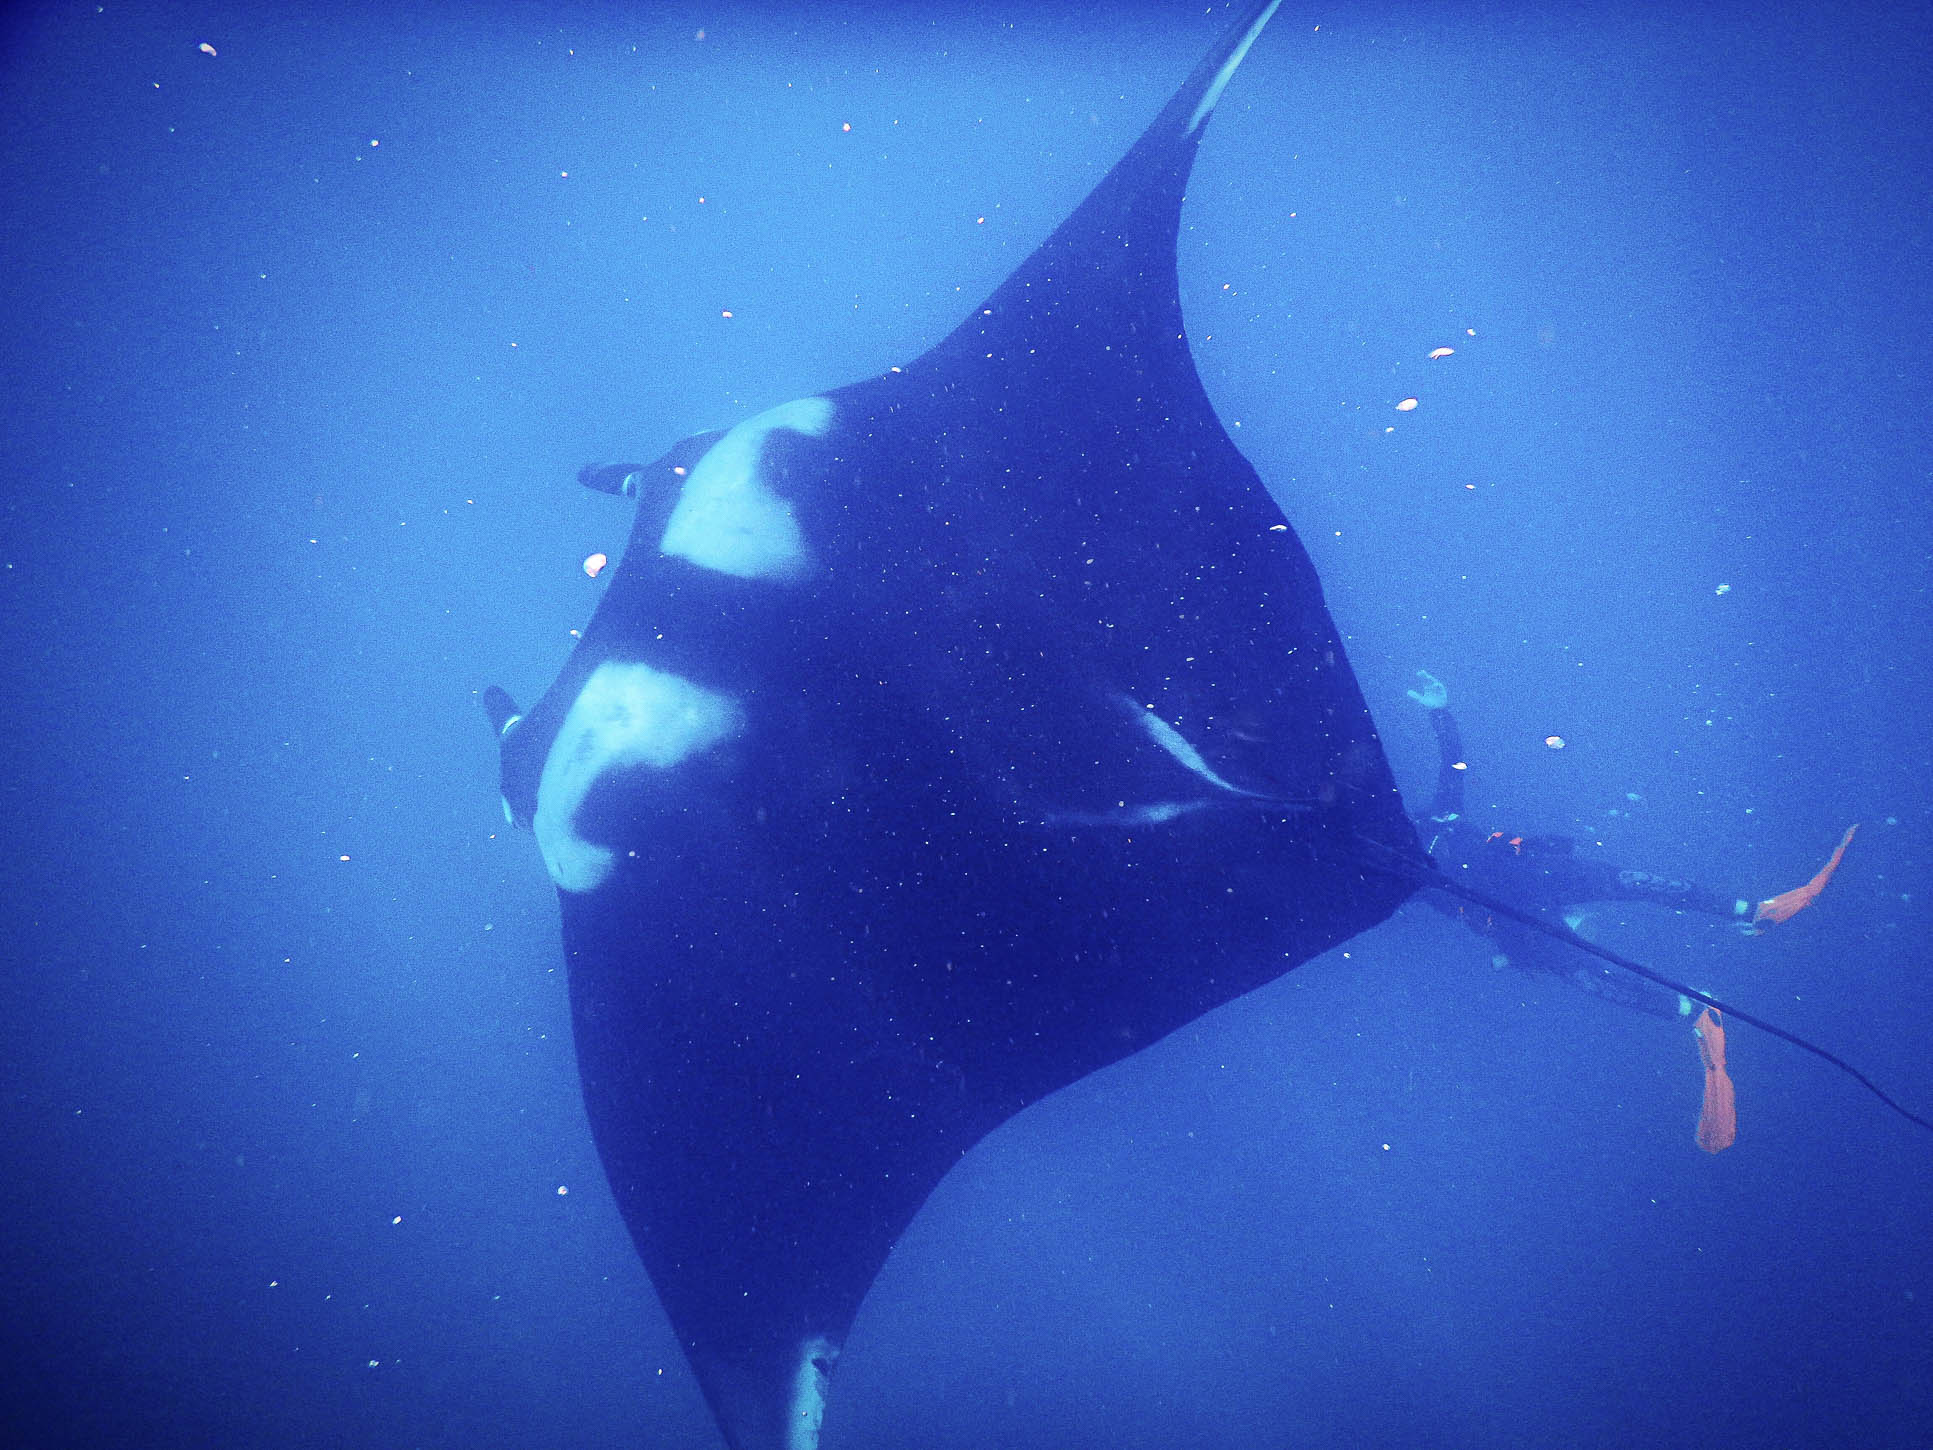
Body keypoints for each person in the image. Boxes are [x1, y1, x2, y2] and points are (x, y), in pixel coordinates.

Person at [1405, 670, 1855, 1019]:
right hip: (1511, 904)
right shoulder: (1412, 865)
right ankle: (1700, 1003)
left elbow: (1453, 766)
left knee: (1618, 905)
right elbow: (1453, 770)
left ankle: (1743, 921)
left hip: (1522, 887)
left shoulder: (1433, 826)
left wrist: (1440, 710)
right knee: (1595, 945)